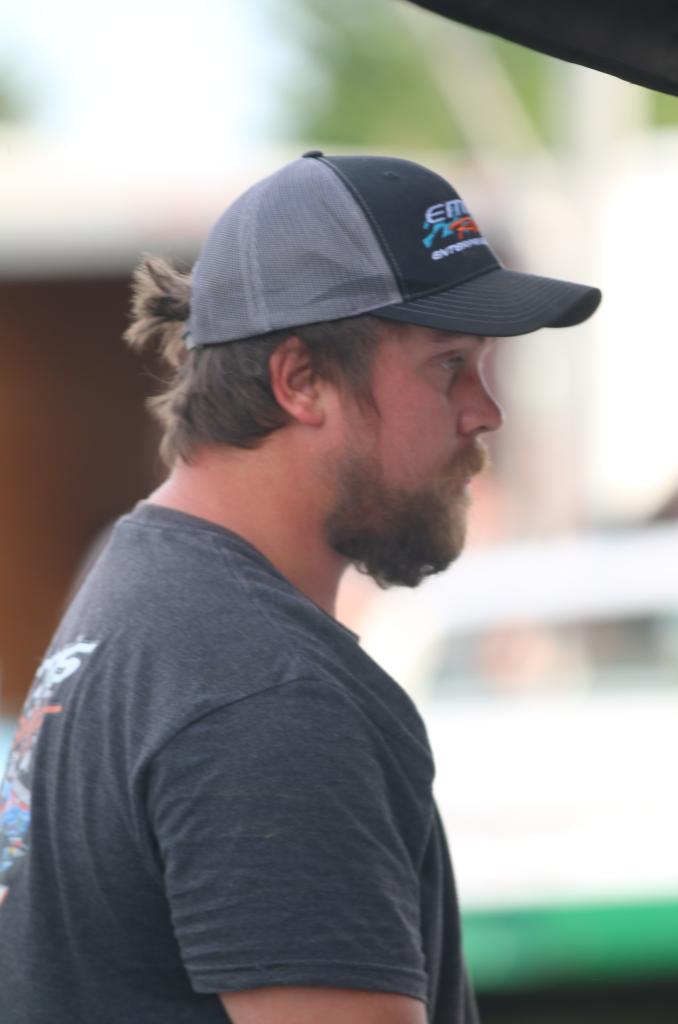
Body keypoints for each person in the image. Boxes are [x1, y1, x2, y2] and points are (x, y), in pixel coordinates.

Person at [0, 151, 600, 1024]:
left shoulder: (145, 593)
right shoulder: (261, 691)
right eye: (447, 365)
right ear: (300, 380)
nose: (485, 410)